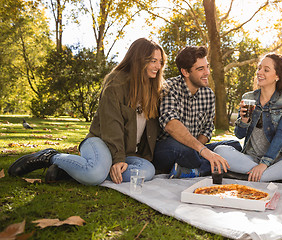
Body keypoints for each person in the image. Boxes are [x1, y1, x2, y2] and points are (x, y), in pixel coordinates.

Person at [8, 38, 165, 185]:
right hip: (101, 141)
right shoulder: (116, 83)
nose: (158, 66)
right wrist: (118, 159)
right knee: (95, 174)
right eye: (153, 61)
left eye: (160, 62)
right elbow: (112, 126)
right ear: (138, 60)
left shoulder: (155, 91)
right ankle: (51, 156)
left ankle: (71, 172)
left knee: (146, 171)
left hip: (128, 153)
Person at [214, 53, 282, 183]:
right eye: (259, 68)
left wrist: (264, 163)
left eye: (266, 70)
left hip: (277, 159)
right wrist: (243, 121)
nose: (260, 72)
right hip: (250, 159)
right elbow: (239, 134)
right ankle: (274, 177)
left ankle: (248, 176)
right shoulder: (248, 98)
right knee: (220, 150)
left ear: (277, 76)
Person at [153, 46, 241, 178]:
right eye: (200, 69)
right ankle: (212, 168)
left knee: (234, 146)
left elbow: (207, 128)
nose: (207, 72)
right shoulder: (170, 87)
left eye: (207, 66)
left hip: (194, 148)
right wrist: (203, 151)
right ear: (185, 72)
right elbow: (171, 125)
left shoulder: (208, 94)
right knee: (180, 148)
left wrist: (200, 148)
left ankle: (191, 171)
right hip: (169, 148)